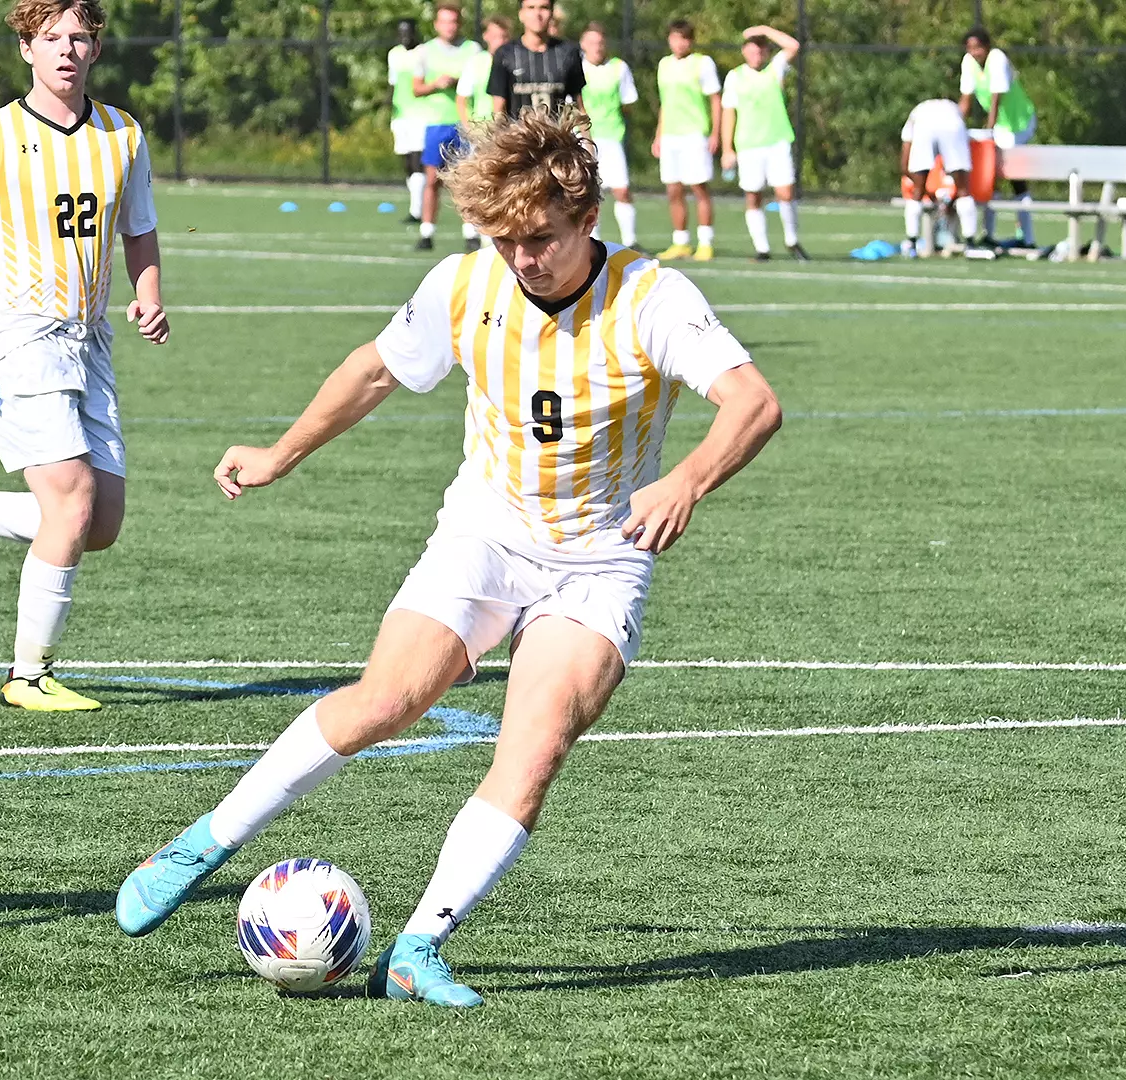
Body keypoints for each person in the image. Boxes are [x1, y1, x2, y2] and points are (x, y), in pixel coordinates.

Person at [114, 105, 784, 1008]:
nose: (523, 258)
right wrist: (280, 452)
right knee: (384, 700)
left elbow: (752, 402)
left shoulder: (650, 296)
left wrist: (688, 482)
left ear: (587, 220)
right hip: (485, 534)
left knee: (534, 748)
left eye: (541, 238)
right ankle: (203, 842)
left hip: (598, 560)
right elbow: (374, 371)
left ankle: (418, 946)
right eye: (507, 239)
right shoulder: (467, 286)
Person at [0, 0, 168, 712]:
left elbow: (138, 229)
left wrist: (149, 294)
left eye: (80, 37)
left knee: (97, 524)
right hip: (19, 337)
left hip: (90, 340)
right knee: (71, 501)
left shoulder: (122, 134)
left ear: (97, 49)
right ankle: (27, 676)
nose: (67, 50)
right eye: (52, 39)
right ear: (27, 50)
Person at [720, 25, 805, 261]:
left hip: (777, 141)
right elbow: (729, 113)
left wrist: (765, 30)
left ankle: (792, 240)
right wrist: (727, 148)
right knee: (753, 195)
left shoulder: (775, 69)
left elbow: (793, 46)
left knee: (785, 192)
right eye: (752, 50)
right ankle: (762, 248)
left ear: (766, 52)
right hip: (748, 145)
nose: (756, 55)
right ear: (744, 52)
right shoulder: (735, 77)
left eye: (760, 50)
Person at [959, 27, 1038, 248]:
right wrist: (955, 124)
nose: (974, 52)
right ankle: (988, 234)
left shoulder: (997, 59)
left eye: (978, 47)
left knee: (1015, 179)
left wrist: (989, 132)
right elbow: (965, 99)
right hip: (1000, 129)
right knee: (989, 178)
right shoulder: (968, 63)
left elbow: (997, 99)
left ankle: (1027, 238)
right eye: (970, 48)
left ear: (987, 46)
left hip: (1018, 123)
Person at [412, 3, 481, 251]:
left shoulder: (473, 50)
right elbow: (416, 88)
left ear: (459, 24)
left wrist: (460, 82)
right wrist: (436, 84)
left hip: (465, 122)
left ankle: (471, 232)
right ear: (436, 25)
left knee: (467, 179)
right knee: (433, 179)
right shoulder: (425, 51)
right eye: (444, 21)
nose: (449, 26)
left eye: (453, 21)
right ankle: (427, 231)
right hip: (436, 124)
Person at [654, 20, 721, 261]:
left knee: (699, 188)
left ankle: (705, 242)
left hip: (694, 134)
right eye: (674, 38)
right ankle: (680, 241)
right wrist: (658, 135)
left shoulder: (703, 64)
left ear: (690, 41)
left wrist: (715, 133)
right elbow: (665, 103)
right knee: (673, 189)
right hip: (671, 136)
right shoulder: (664, 65)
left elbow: (715, 99)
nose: (679, 43)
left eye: (683, 38)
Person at [579, 23, 641, 248]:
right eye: (592, 42)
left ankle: (630, 240)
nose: (597, 47)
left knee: (622, 189)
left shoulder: (618, 68)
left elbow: (628, 103)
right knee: (589, 193)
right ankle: (591, 240)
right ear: (583, 45)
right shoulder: (577, 68)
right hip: (584, 140)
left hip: (612, 136)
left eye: (600, 42)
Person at [454, 14, 513, 252]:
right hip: (481, 133)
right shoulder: (476, 62)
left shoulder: (511, 60)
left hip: (506, 133)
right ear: (486, 36)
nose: (498, 40)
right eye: (494, 35)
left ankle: (495, 230)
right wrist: (469, 128)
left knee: (501, 183)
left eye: (503, 36)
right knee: (476, 182)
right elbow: (462, 99)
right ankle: (470, 231)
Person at [899, 98, 973, 258]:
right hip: (952, 122)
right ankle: (971, 244)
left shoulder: (915, 117)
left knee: (916, 192)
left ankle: (911, 243)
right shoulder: (953, 111)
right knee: (963, 190)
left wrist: (926, 192)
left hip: (924, 125)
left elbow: (905, 166)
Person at [488, 0, 585, 119]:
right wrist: (498, 136)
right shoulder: (505, 54)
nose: (537, 14)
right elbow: (498, 111)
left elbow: (579, 109)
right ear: (521, 14)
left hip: (556, 135)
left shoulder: (568, 52)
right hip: (517, 135)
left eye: (543, 8)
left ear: (551, 13)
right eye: (531, 8)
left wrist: (587, 137)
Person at [388, 18, 428, 228]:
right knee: (406, 162)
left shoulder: (423, 52)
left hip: (420, 114)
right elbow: (393, 82)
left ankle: (417, 210)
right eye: (401, 32)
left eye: (408, 32)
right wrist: (388, 103)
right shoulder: (394, 54)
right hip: (400, 114)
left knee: (417, 160)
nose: (405, 36)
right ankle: (415, 207)